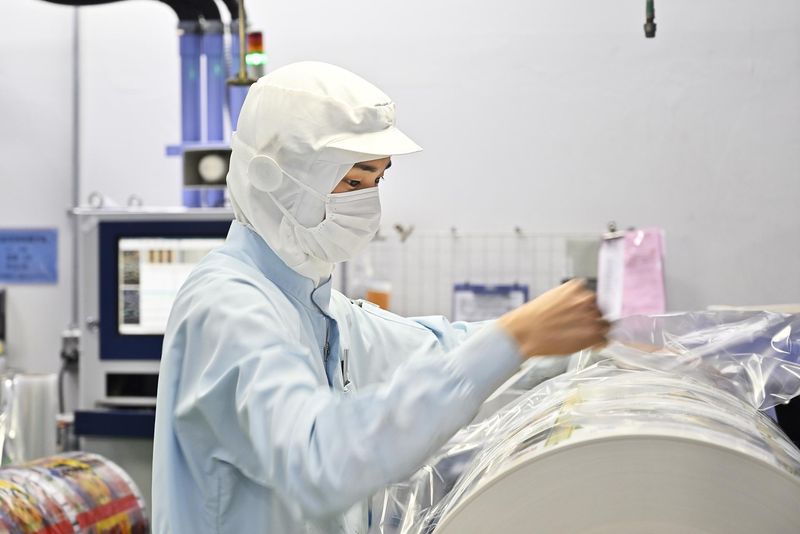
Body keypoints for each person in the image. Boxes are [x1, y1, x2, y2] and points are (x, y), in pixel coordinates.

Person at [151, 61, 609, 533]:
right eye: (353, 182)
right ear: (275, 178)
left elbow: (438, 348)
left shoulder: (321, 311)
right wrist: (512, 339)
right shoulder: (228, 307)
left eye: (377, 180)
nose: (367, 203)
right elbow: (321, 460)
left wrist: (588, 343)